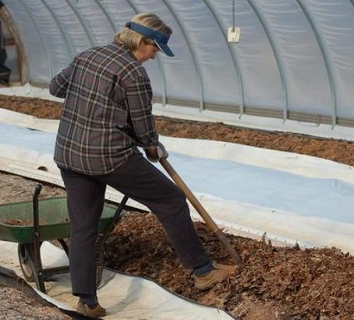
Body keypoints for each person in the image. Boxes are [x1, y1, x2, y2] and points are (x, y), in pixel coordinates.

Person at [49, 12, 237, 318]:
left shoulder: (86, 56)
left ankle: (87, 301)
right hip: (109, 157)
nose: (154, 57)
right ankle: (202, 271)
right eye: (155, 50)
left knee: (84, 227)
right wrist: (152, 146)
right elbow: (143, 126)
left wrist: (91, 98)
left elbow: (56, 89)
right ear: (142, 41)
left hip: (70, 155)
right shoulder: (133, 74)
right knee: (171, 200)